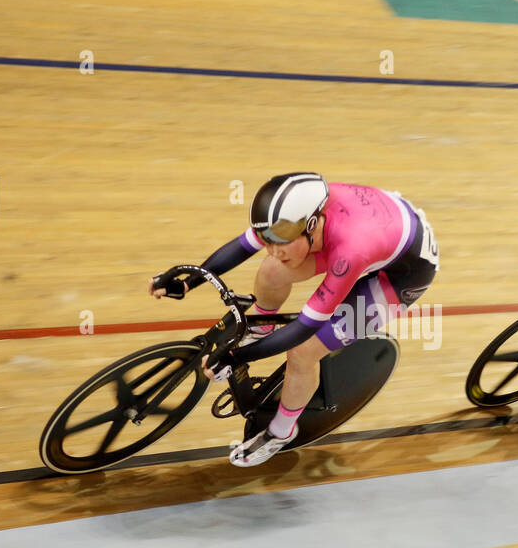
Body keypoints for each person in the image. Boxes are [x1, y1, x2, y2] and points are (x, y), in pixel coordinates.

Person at [150, 172, 439, 466]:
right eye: (267, 239)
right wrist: (188, 281)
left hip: (406, 273)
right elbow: (242, 247)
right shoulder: (290, 218)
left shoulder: (351, 250)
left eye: (281, 242)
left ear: (311, 225)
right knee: (272, 269)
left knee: (304, 352)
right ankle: (262, 326)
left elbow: (304, 328)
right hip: (373, 225)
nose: (273, 248)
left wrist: (236, 357)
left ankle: (281, 432)